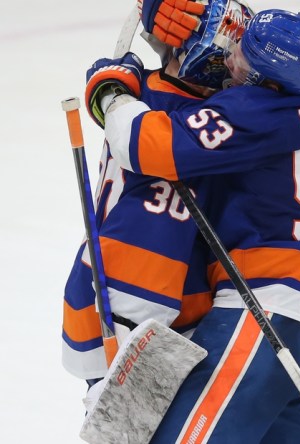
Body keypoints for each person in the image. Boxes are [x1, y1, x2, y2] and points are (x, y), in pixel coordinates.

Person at [96, 8, 300, 443]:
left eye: (244, 54)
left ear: (263, 80)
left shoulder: (252, 109)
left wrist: (112, 93)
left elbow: (145, 145)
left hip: (263, 315)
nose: (230, 54)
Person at [63, 0, 252, 384]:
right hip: (140, 309)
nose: (240, 65)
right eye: (232, 50)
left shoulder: (136, 93)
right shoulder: (194, 119)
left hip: (106, 288)